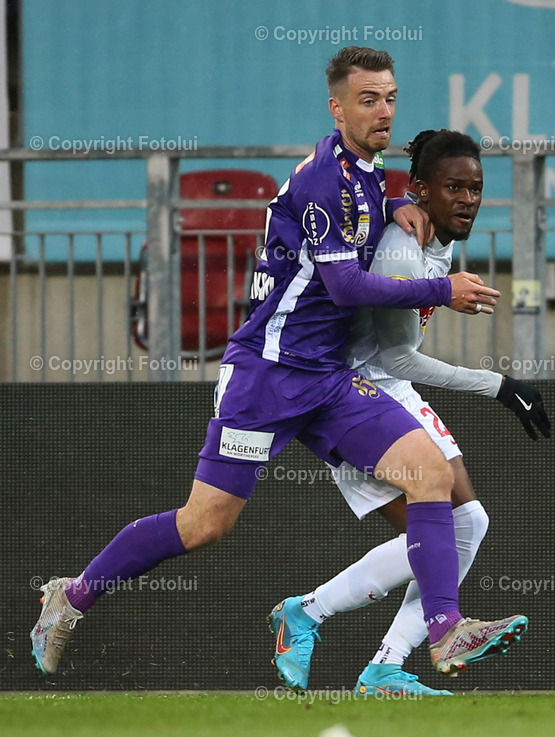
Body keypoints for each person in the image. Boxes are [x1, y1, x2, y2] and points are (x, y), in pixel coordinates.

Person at [30, 46, 526, 679]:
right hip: (267, 376)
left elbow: (363, 215)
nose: (384, 111)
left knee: (430, 474)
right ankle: (71, 597)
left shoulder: (367, 173)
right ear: (337, 108)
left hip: (329, 379)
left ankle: (446, 630)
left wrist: (398, 203)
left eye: (390, 98)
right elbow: (345, 287)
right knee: (203, 525)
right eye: (368, 100)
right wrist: (441, 288)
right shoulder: (324, 179)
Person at [269, 129, 551, 695]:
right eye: (454, 187)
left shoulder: (435, 238)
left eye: (475, 188)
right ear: (422, 188)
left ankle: (381, 663)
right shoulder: (403, 246)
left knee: (468, 523)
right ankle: (316, 617)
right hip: (352, 396)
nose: (468, 199)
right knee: (441, 531)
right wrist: (497, 385)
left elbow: (396, 360)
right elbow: (396, 355)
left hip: (391, 388)